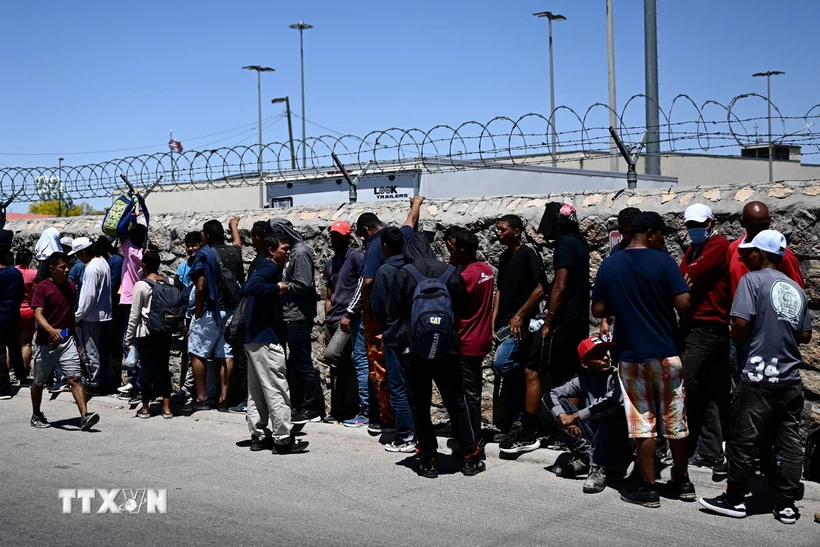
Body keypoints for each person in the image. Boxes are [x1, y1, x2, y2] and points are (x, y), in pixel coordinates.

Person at [699, 230, 811, 525]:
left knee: (743, 440)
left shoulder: (751, 281)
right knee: (789, 443)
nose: (746, 256)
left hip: (758, 377)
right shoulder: (795, 289)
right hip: (790, 379)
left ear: (762, 254)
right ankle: (786, 505)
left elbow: (739, 325)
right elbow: (806, 334)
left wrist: (746, 335)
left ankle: (735, 499)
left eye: (751, 251)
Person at [591, 211, 695, 508]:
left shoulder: (610, 264)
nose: (663, 239)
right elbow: (684, 305)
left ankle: (648, 488)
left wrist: (624, 298)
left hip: (631, 356)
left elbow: (598, 310)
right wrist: (680, 288)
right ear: (649, 233)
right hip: (667, 353)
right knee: (676, 419)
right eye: (660, 233)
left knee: (642, 423)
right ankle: (683, 481)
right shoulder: (664, 262)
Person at [386, 249, 484, 478]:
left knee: (420, 406)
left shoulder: (404, 273)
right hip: (447, 348)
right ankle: (470, 456)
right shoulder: (451, 272)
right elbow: (463, 309)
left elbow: (392, 310)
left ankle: (429, 460)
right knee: (456, 402)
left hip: (415, 350)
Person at [502, 203, 590, 454]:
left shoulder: (565, 245)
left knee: (532, 371)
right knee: (568, 377)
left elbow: (560, 285)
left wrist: (549, 321)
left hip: (561, 321)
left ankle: (528, 432)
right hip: (577, 320)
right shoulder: (580, 243)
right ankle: (571, 434)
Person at [344, 196, 424, 431]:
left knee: (379, 370)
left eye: (362, 235)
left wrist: (367, 314)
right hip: (405, 315)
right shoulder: (398, 236)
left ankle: (383, 419)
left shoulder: (375, 246)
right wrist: (416, 203)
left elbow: (367, 282)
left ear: (367, 230)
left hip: (381, 319)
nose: (361, 239)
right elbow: (411, 221)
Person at [677, 204, 732, 476]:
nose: (693, 230)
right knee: (706, 392)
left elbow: (692, 273)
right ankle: (707, 450)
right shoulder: (693, 249)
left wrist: (688, 275)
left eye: (698, 224)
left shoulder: (719, 246)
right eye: (689, 225)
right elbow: (682, 274)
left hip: (708, 327)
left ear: (712, 222)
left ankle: (693, 447)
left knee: (690, 388)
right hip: (696, 325)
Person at [241, 233, 308, 454]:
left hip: (254, 339)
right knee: (277, 389)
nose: (288, 252)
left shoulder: (264, 266)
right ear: (272, 250)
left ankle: (259, 436)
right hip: (266, 339)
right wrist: (278, 289)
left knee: (257, 392)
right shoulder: (269, 268)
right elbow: (250, 287)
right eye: (284, 249)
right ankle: (283, 440)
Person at [545, 335, 629, 494]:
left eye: (605, 353)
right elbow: (549, 396)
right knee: (559, 405)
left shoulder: (617, 375)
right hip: (593, 435)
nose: (605, 358)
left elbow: (612, 401)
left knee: (608, 413)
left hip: (618, 440)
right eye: (598, 355)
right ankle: (584, 455)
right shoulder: (581, 379)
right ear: (584, 363)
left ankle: (598, 467)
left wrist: (575, 417)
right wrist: (564, 418)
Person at [29, 252, 100, 431]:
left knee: (75, 378)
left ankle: (84, 416)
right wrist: (51, 330)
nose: (67, 270)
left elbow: (69, 312)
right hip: (45, 343)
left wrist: (74, 338)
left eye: (68, 266)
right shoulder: (42, 288)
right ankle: (36, 414)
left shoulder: (71, 286)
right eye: (63, 267)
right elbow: (38, 313)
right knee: (39, 382)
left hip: (66, 341)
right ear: (52, 269)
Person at [491, 214, 545, 437]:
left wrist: (520, 315)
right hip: (504, 326)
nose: (498, 233)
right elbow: (500, 290)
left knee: (502, 364)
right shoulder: (504, 257)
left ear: (517, 231)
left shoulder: (527, 255)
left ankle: (525, 392)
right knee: (508, 367)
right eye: (497, 229)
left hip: (520, 325)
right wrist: (492, 321)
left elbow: (542, 287)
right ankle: (515, 416)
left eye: (503, 229)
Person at [269, 218, 322, 423]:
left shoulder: (299, 252)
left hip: (298, 316)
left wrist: (283, 287)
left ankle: (311, 408)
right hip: (290, 315)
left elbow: (303, 284)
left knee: (302, 362)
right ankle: (300, 404)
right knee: (294, 363)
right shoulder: (293, 251)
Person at [447, 228, 494, 453]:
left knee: (468, 395)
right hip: (481, 338)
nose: (450, 250)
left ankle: (474, 441)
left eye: (453, 248)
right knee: (471, 391)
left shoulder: (465, 276)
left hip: (466, 340)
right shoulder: (486, 270)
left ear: (462, 251)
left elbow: (452, 299)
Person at [188, 220, 243, 413]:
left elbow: (201, 287)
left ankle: (202, 397)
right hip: (232, 311)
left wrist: (196, 312)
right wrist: (234, 226)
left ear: (207, 237)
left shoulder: (204, 254)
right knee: (226, 354)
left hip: (211, 311)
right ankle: (223, 399)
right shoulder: (234, 252)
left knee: (197, 352)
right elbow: (238, 242)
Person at [371, 227, 415, 452]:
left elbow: (377, 306)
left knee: (397, 386)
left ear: (385, 246)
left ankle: (405, 435)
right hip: (415, 334)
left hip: (393, 334)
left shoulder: (384, 271)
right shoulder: (413, 266)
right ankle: (418, 432)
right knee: (414, 385)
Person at [321, 220, 364, 423]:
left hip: (347, 318)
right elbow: (329, 294)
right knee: (338, 368)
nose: (335, 238)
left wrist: (350, 314)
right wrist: (326, 320)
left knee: (335, 358)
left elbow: (363, 286)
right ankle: (338, 411)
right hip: (333, 319)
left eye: (339, 235)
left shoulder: (356, 258)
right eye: (333, 235)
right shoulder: (331, 263)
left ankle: (351, 409)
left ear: (348, 237)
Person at [126, 249, 173, 419]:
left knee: (146, 370)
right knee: (163, 368)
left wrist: (128, 338)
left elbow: (134, 315)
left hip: (146, 333)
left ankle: (145, 408)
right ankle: (167, 408)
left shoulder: (141, 285)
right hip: (165, 332)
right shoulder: (169, 281)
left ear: (143, 265)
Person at [72, 237, 112, 393]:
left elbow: (88, 297)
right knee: (100, 351)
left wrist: (78, 317)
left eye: (78, 255)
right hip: (103, 315)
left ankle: (94, 383)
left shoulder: (91, 268)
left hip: (91, 316)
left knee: (89, 352)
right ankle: (102, 381)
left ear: (83, 252)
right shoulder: (102, 262)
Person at [173, 231, 203, 405]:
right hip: (186, 316)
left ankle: (189, 389)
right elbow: (178, 290)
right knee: (189, 354)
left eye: (194, 245)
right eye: (188, 246)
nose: (191, 249)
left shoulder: (203, 265)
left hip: (199, 316)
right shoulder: (183, 267)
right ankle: (187, 388)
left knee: (196, 354)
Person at [118, 224, 147, 403]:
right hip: (141, 299)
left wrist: (130, 206)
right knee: (137, 344)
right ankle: (135, 382)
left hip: (129, 300)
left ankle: (135, 384)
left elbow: (119, 228)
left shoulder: (129, 249)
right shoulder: (144, 252)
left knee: (129, 343)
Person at [96, 236, 125, 392]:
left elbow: (112, 286)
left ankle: (111, 382)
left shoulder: (115, 261)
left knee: (112, 346)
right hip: (109, 308)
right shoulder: (113, 261)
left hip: (114, 308)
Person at [0, 229, 25, 399]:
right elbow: (19, 296)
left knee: (1, 351)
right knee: (14, 346)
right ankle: (22, 377)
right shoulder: (15, 274)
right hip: (11, 317)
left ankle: (3, 388)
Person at [15, 248, 36, 380]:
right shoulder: (34, 274)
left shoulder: (11, 271)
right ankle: (23, 374)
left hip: (14, 309)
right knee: (26, 343)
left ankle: (7, 371)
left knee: (10, 343)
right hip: (29, 310)